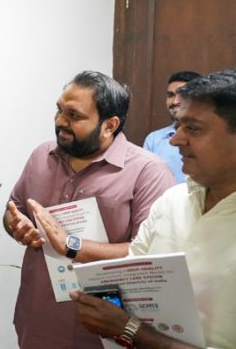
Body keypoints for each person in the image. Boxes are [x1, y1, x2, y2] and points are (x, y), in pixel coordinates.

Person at [4, 70, 175, 349]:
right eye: (59, 110)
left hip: (103, 331)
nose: (61, 122)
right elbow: (14, 212)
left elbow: (152, 255)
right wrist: (17, 226)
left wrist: (71, 246)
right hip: (37, 321)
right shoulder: (41, 156)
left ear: (110, 125)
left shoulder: (148, 171)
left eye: (74, 115)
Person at [71, 68, 236, 349]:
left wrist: (130, 330)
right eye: (179, 126)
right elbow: (131, 280)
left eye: (193, 128)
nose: (175, 140)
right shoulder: (171, 202)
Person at [143, 71, 201, 183]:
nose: (175, 101)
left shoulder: (212, 137)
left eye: (182, 95)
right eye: (170, 95)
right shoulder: (154, 140)